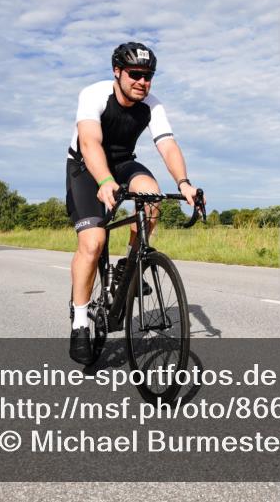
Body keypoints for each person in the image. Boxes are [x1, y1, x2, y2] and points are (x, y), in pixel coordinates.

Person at [65, 41, 200, 364]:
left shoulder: (152, 105)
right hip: (86, 167)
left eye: (148, 76)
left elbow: (167, 145)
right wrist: (104, 180)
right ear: (118, 72)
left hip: (124, 162)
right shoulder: (94, 95)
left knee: (152, 196)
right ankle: (81, 321)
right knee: (94, 241)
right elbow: (89, 141)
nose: (143, 82)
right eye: (135, 74)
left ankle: (129, 264)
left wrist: (184, 183)